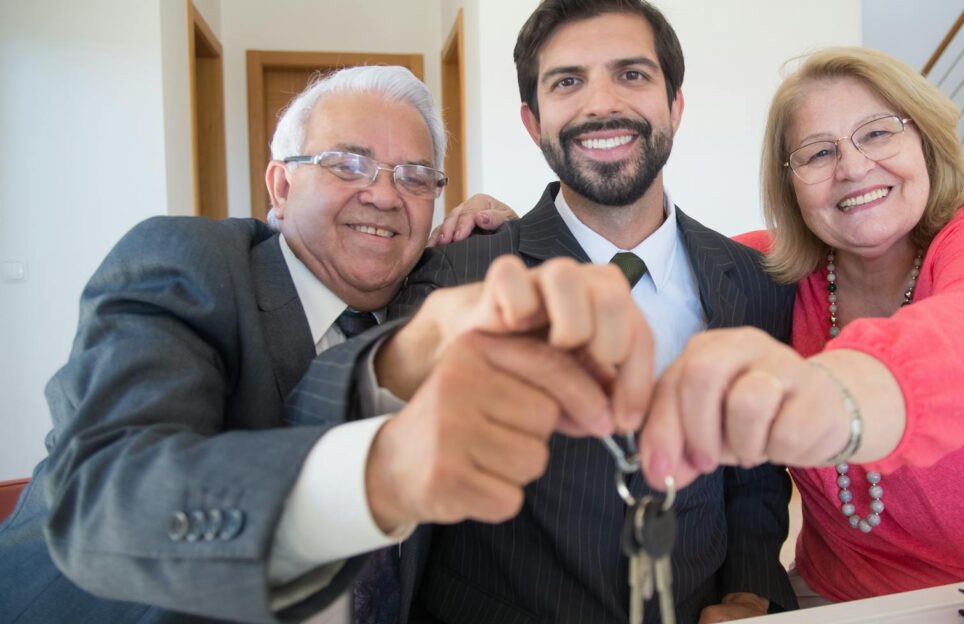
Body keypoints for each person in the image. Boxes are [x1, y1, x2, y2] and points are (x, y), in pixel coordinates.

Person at [0, 65, 653, 622]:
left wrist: (502, 230)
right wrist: (378, 470)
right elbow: (105, 498)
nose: (384, 195)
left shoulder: (428, 290)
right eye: (348, 163)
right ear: (280, 187)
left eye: (416, 176)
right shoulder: (188, 263)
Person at [638, 46, 964, 605]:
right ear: (789, 184)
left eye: (878, 133)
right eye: (818, 153)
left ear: (926, 141)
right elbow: (650, 274)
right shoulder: (764, 274)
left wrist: (832, 396)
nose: (853, 167)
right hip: (845, 599)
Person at [346, 2, 799, 622]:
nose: (601, 104)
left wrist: (750, 593)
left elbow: (755, 473)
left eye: (632, 75)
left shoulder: (755, 281)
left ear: (676, 105)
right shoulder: (458, 271)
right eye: (568, 81)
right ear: (533, 122)